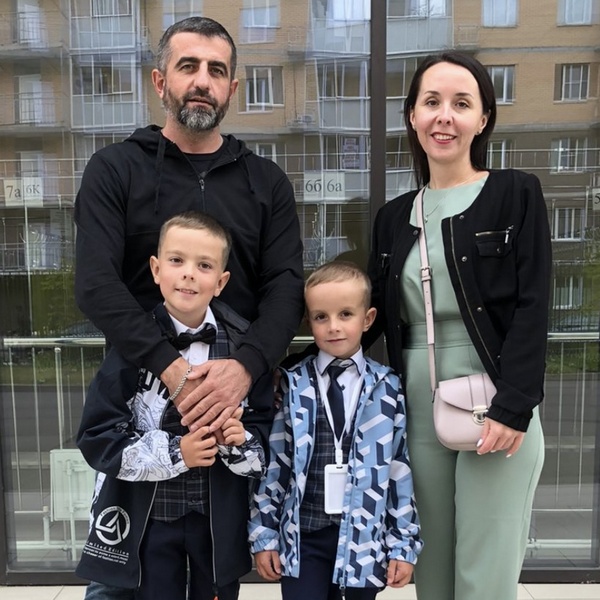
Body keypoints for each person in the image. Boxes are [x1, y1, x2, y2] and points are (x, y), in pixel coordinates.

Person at [74, 17, 303, 599]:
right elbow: (96, 284)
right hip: (136, 398)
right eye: (188, 66)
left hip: (231, 408)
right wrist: (171, 370)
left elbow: (285, 288)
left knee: (214, 574)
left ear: (232, 88)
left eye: (217, 70)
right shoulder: (115, 169)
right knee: (122, 579)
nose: (203, 80)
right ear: (161, 81)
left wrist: (245, 368)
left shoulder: (266, 183)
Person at [367, 51, 551, 600]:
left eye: (461, 103)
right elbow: (371, 314)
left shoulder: (514, 193)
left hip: (495, 398)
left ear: (483, 118)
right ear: (412, 116)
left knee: (483, 576)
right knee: (434, 573)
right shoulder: (393, 216)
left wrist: (514, 406)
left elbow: (533, 304)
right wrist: (289, 366)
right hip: (417, 402)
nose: (444, 116)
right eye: (432, 102)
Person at [76, 212, 271, 600]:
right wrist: (178, 452)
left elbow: (267, 438)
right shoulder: (131, 345)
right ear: (156, 269)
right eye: (177, 260)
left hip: (216, 524)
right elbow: (97, 436)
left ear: (221, 282)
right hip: (149, 523)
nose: (188, 274)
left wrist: (239, 442)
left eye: (204, 265)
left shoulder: (245, 348)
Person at [248, 261, 422, 600]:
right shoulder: (293, 384)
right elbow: (276, 465)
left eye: (345, 314)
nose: (333, 327)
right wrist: (263, 534)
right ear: (308, 321)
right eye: (321, 317)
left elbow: (399, 469)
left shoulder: (387, 387)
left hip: (364, 541)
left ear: (368, 319)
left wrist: (402, 543)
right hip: (304, 538)